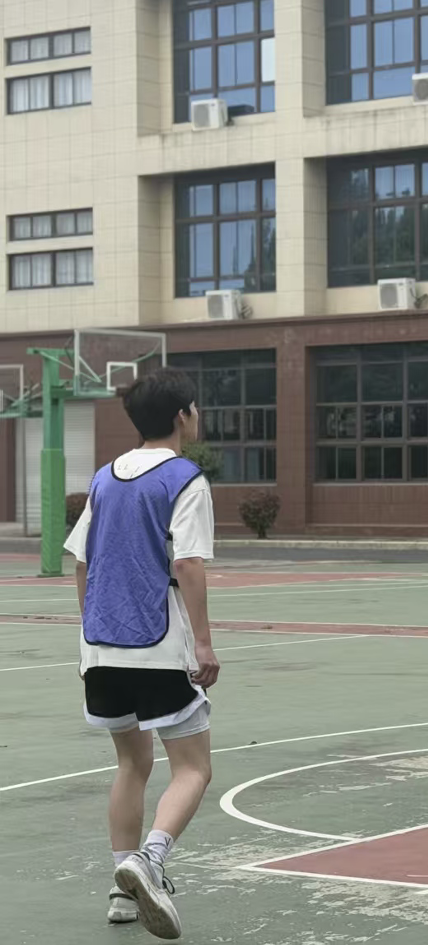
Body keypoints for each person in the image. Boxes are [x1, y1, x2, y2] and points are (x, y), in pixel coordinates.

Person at [64, 368, 218, 940]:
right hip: (158, 645)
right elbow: (188, 564)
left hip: (101, 647)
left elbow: (81, 562)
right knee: (194, 767)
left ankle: (121, 890)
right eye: (195, 408)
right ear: (182, 416)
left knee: (132, 763)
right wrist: (203, 641)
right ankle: (149, 861)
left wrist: (91, 633)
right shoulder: (185, 479)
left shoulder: (104, 478)